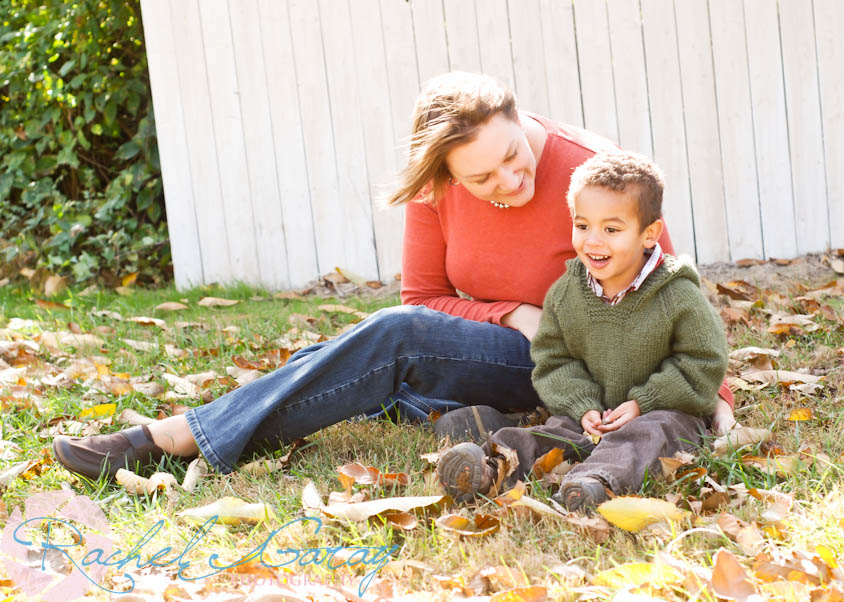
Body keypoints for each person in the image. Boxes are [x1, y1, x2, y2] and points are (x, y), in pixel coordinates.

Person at [52, 72, 735, 482]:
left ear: (519, 118)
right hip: (515, 354)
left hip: (593, 363)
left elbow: (671, 288)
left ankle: (169, 438)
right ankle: (476, 416)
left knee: (387, 346)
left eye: (511, 153)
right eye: (481, 178)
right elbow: (425, 301)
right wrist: (508, 315)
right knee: (375, 349)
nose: (508, 180)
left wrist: (716, 394)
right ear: (448, 177)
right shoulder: (436, 193)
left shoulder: (595, 171)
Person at [437, 150, 729, 512]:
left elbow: (703, 362)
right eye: (582, 225)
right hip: (593, 411)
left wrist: (645, 401)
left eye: (611, 229)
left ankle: (595, 482)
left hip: (666, 411)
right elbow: (554, 359)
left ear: (649, 234)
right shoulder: (568, 292)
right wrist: (582, 404)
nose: (593, 241)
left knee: (648, 436)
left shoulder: (676, 294)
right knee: (554, 431)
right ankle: (488, 466)